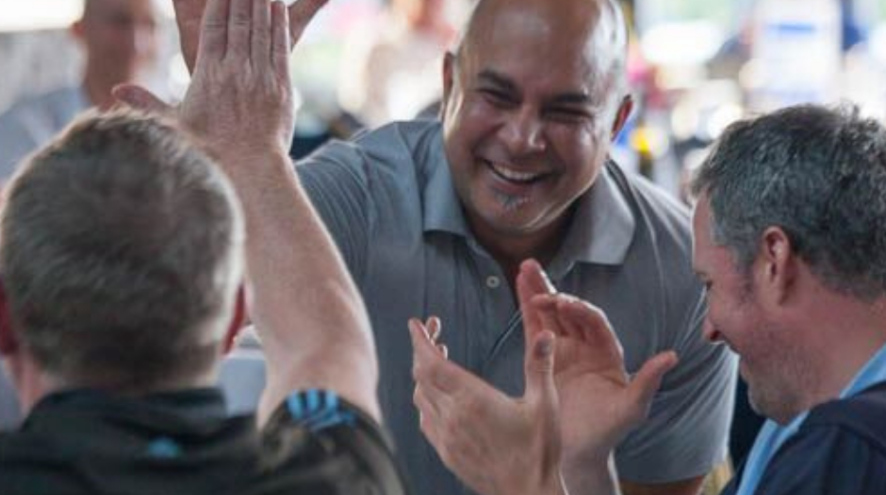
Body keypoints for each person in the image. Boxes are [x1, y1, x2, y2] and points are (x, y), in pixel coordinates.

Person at [156, 0, 738, 494]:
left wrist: (578, 467)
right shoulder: (353, 197)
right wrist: (218, 154)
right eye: (497, 97)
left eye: (565, 111)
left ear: (617, 121)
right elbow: (161, 301)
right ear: (449, 84)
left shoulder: (684, 274)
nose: (522, 138)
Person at [0, 0, 407, 493]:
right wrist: (253, 151)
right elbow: (327, 349)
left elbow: (328, 350)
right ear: (235, 315)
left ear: (5, 319)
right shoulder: (322, 476)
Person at [413, 104, 886, 495]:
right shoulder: (823, 434)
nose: (709, 329)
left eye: (709, 285)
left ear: (774, 260)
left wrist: (524, 479)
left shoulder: (846, 449)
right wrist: (585, 461)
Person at [0, 0, 161, 179]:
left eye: (150, 25)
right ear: (79, 30)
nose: (137, 43)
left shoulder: (170, 128)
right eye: (119, 23)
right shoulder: (26, 127)